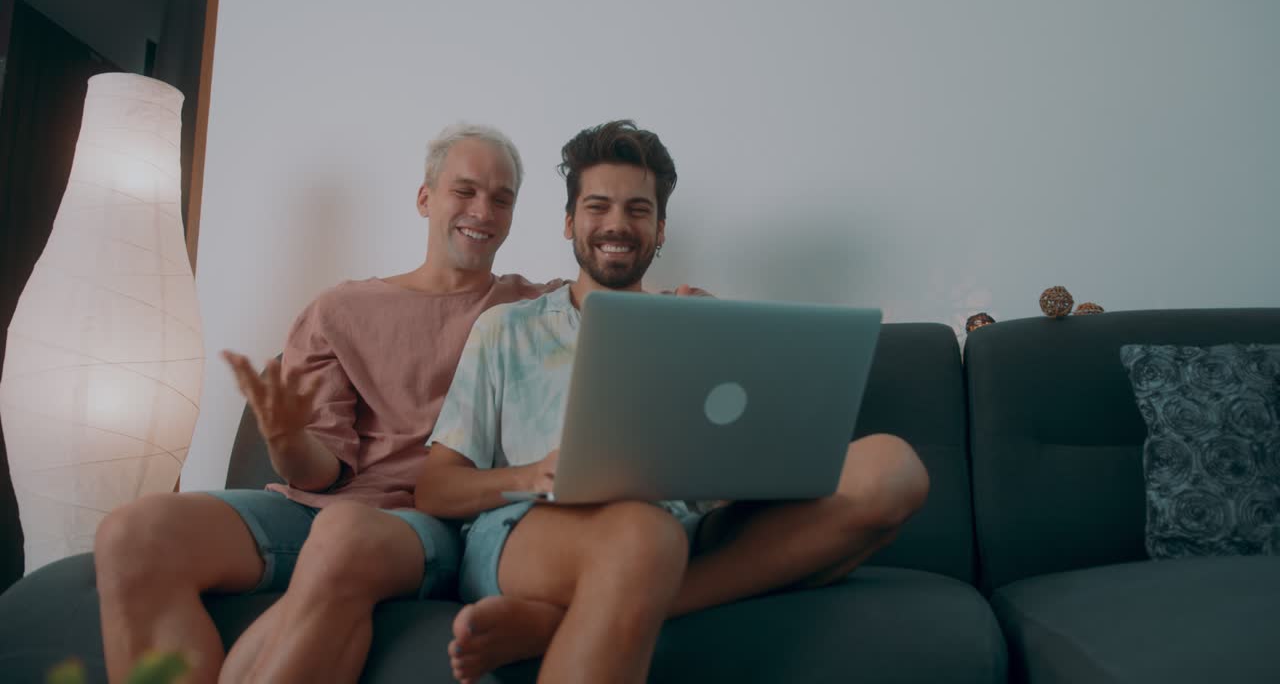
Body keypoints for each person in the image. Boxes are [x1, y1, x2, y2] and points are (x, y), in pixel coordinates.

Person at [416, 120, 932, 684]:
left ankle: (557, 623)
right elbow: (435, 487)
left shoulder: (702, 322)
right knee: (642, 535)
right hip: (534, 530)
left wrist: (727, 342)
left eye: (638, 210)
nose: (618, 224)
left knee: (891, 469)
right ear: (569, 222)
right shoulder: (507, 329)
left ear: (660, 229)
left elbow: (755, 455)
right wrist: (532, 474)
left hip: (686, 529)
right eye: (598, 206)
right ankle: (612, 589)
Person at [94, 123, 562, 684]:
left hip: (422, 526)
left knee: (345, 533)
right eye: (465, 191)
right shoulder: (341, 309)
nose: (483, 210)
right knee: (131, 532)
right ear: (425, 198)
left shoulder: (537, 308)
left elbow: (625, 308)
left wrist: (688, 304)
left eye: (501, 198)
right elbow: (319, 475)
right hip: (313, 511)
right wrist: (288, 440)